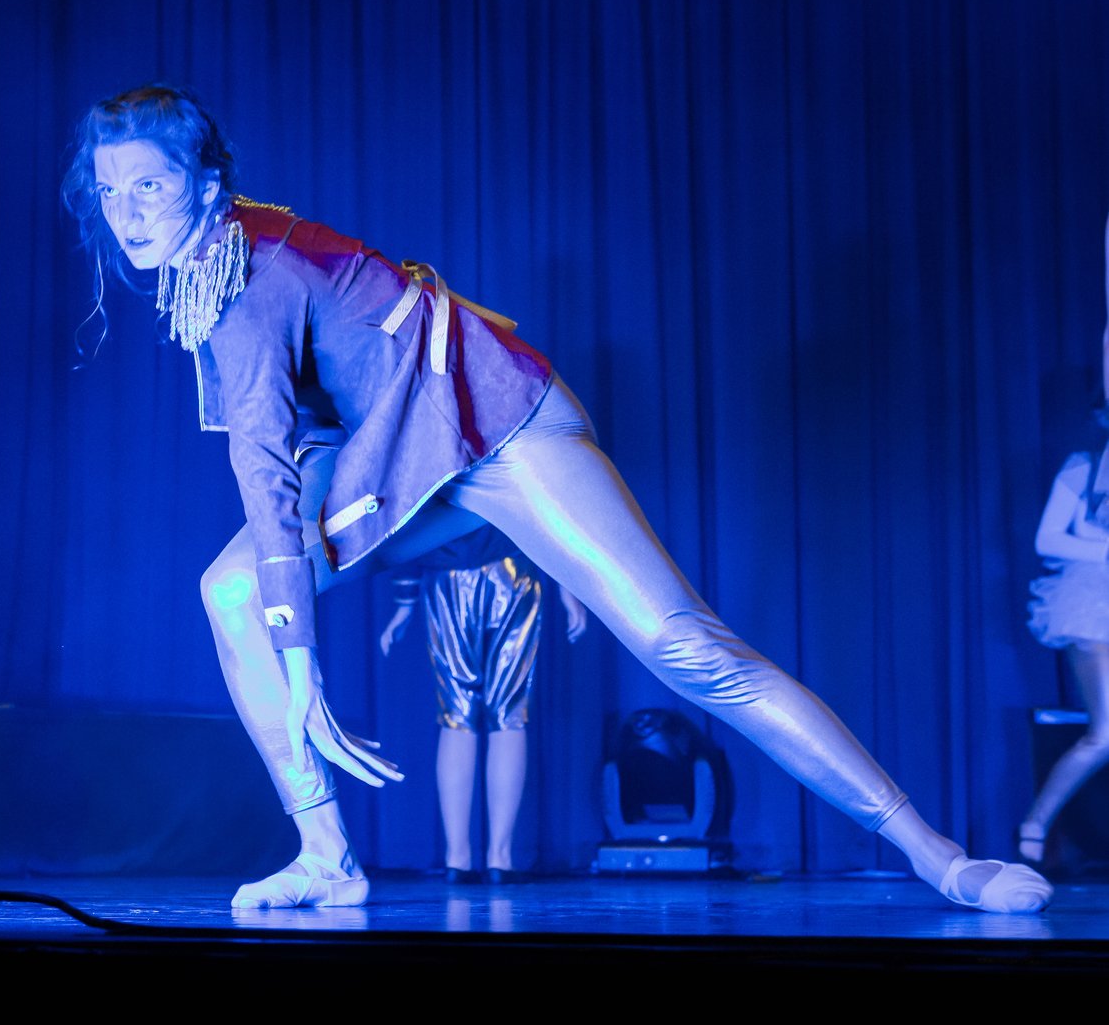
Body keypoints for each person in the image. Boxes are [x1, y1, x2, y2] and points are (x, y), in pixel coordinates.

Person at [60, 83, 1051, 914]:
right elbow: (296, 449)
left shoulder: (251, 272)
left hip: (494, 425)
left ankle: (937, 855)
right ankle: (326, 857)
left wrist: (300, 661)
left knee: (685, 647)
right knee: (231, 588)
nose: (129, 213)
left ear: (207, 183)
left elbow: (266, 474)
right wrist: (293, 638)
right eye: (111, 191)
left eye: (150, 186)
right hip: (394, 452)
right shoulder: (216, 261)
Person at [377, 525, 586, 883]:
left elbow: (410, 516)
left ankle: (457, 859)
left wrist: (405, 600)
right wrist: (568, 587)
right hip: (511, 569)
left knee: (457, 712)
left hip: (445, 573)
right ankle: (499, 859)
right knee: (508, 711)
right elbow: (540, 509)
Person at [1020, 428, 1109, 866]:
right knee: (1106, 733)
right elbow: (1048, 539)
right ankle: (1036, 822)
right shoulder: (1085, 466)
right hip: (1093, 603)